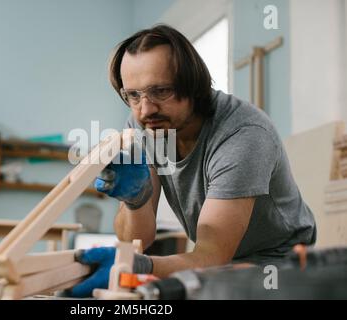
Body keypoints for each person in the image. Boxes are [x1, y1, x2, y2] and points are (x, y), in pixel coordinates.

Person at [70, 24, 316, 298]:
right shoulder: (151, 124)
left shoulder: (242, 134)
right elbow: (136, 242)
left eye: (161, 91)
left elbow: (213, 254)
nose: (146, 109)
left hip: (279, 269)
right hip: (214, 265)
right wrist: (136, 201)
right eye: (133, 95)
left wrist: (134, 265)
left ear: (193, 86)